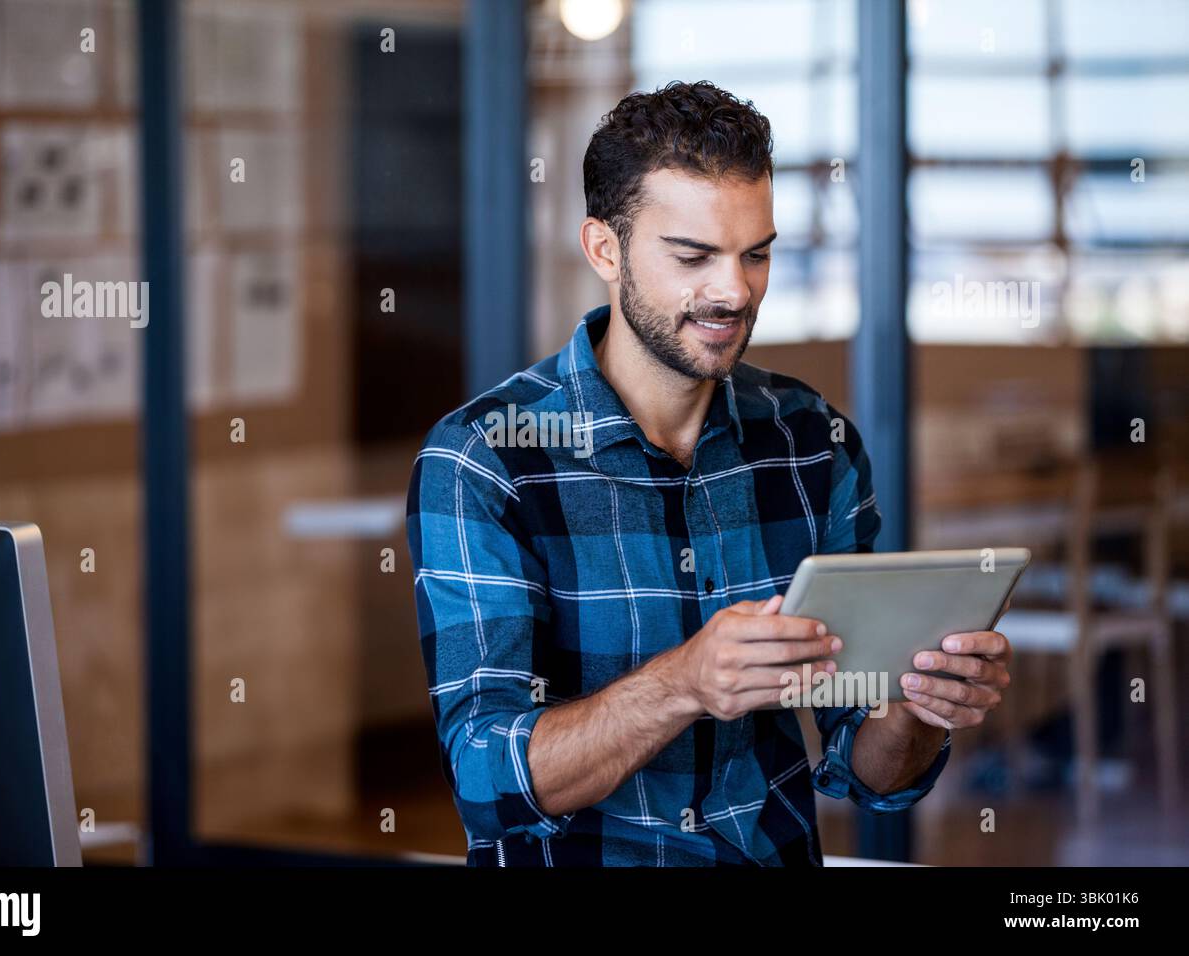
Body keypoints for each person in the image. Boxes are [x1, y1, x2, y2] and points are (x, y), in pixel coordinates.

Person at [405, 80, 1012, 866]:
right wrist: (683, 683)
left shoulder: (811, 441)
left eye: (755, 253)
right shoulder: (485, 459)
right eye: (693, 256)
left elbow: (866, 771)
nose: (734, 290)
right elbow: (486, 778)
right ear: (604, 249)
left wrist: (921, 709)